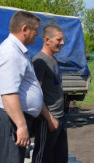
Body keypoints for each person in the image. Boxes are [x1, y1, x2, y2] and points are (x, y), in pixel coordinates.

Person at [0, 10, 43, 163]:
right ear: (24, 29)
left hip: (12, 119)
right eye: (35, 30)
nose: (37, 34)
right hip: (9, 121)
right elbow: (9, 94)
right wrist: (21, 125)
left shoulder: (18, 51)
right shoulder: (10, 53)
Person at [32, 24, 68, 163]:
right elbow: (36, 95)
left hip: (60, 117)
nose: (62, 43)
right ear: (47, 40)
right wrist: (49, 118)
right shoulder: (39, 62)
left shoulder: (53, 59)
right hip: (48, 120)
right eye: (59, 40)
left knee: (60, 157)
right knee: (43, 158)